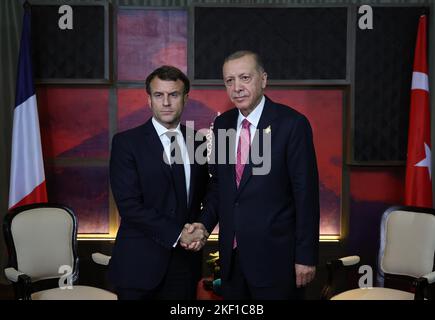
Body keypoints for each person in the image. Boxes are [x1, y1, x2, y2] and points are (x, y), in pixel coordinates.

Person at [185, 51, 320, 299]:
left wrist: (306, 256)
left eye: (245, 78)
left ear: (263, 79)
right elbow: (220, 187)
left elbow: (306, 196)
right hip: (231, 263)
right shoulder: (223, 123)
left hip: (277, 261)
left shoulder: (292, 124)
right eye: (229, 81)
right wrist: (203, 225)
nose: (237, 87)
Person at [108, 65, 209, 300]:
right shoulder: (126, 143)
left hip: (185, 266)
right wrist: (178, 234)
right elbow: (129, 206)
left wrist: (202, 227)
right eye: (158, 95)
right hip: (139, 266)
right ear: (149, 100)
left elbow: (210, 191)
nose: (166, 102)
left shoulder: (198, 141)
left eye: (173, 95)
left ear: (185, 99)